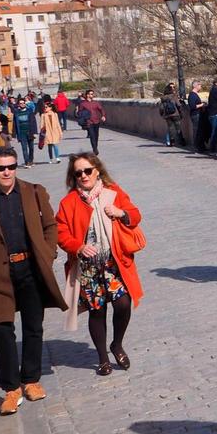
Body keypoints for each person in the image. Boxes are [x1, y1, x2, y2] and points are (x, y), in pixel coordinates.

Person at [0, 146, 68, 415]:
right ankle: (11, 389)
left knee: (34, 327)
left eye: (11, 166)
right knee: (2, 331)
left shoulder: (34, 192)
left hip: (31, 269)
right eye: (0, 168)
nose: (6, 172)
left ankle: (31, 380)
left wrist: (48, 253)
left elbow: (51, 226)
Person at [56, 153, 144, 376]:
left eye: (87, 171)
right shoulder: (69, 202)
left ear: (97, 171)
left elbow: (135, 215)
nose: (84, 176)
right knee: (97, 311)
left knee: (123, 303)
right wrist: (78, 246)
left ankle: (117, 344)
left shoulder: (113, 192)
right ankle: (103, 358)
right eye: (78, 173)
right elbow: (61, 232)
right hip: (88, 268)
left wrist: (120, 212)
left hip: (114, 263)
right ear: (73, 176)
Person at [11, 96, 38, 168]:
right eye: (20, 103)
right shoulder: (16, 113)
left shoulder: (29, 111)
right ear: (18, 104)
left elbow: (34, 122)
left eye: (23, 103)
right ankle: (27, 162)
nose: (22, 104)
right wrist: (14, 135)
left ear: (25, 104)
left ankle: (31, 160)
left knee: (31, 148)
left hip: (30, 132)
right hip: (22, 133)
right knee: (24, 148)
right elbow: (14, 124)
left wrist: (35, 132)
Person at [77, 89, 106, 153]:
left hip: (96, 121)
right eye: (91, 94)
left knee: (96, 135)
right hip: (89, 122)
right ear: (87, 95)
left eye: (92, 94)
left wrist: (103, 116)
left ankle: (95, 146)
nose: (92, 95)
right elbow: (79, 113)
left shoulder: (96, 103)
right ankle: (95, 149)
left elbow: (101, 109)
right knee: (92, 135)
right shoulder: (83, 104)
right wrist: (83, 117)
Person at [158, 84, 184, 149]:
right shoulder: (173, 96)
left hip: (167, 115)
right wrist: (180, 113)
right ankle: (181, 141)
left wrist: (162, 114)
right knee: (178, 128)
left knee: (170, 128)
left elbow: (161, 108)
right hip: (175, 114)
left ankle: (172, 141)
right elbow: (178, 105)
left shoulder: (163, 98)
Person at [187, 81, 206, 153]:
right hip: (195, 115)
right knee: (196, 131)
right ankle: (196, 147)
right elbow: (192, 106)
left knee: (199, 131)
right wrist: (201, 105)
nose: (200, 87)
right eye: (200, 85)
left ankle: (200, 146)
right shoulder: (192, 95)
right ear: (196, 86)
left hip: (198, 114)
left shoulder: (194, 94)